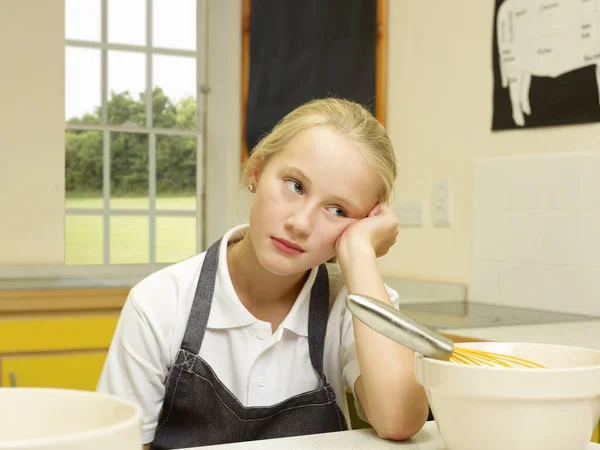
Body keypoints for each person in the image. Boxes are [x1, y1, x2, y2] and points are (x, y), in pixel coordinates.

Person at [97, 97, 429, 449]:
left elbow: (399, 420)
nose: (300, 224)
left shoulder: (360, 303)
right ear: (256, 171)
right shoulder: (158, 303)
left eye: (337, 210)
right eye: (295, 185)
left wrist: (361, 256)